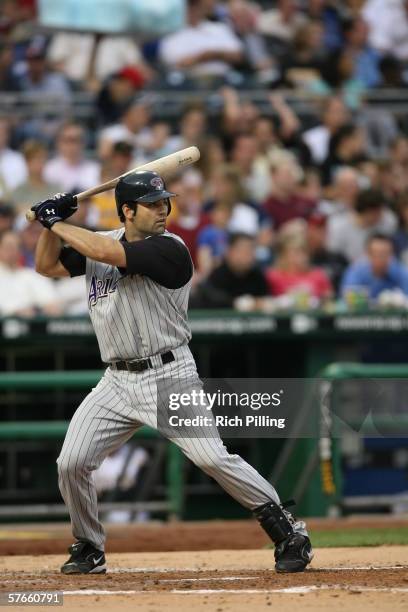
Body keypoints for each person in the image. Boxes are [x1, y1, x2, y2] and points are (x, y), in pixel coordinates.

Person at [31, 170, 313, 575]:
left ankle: (289, 531)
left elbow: (110, 255)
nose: (163, 209)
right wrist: (50, 226)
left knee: (212, 458)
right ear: (127, 211)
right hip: (116, 380)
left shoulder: (171, 249)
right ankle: (89, 546)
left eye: (165, 202)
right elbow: (46, 266)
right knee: (71, 462)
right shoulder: (100, 241)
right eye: (152, 204)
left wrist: (55, 220)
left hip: (169, 374)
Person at [192, 232, 269, 308]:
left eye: (251, 250)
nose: (248, 255)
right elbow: (211, 300)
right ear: (229, 251)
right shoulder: (217, 276)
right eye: (243, 250)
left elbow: (265, 299)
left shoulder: (257, 277)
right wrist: (236, 303)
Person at [0, 229, 61, 317]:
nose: (13, 251)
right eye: (9, 246)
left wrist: (48, 307)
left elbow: (51, 301)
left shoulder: (32, 275)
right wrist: (15, 312)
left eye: (17, 246)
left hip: (34, 326)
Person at [326, 188, 397, 262]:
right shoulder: (339, 226)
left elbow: (391, 219)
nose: (381, 215)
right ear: (367, 211)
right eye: (377, 212)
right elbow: (333, 254)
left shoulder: (385, 222)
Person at [341, 233, 408, 299]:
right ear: (367, 254)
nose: (381, 258)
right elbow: (347, 297)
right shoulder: (356, 272)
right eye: (376, 254)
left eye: (385, 254)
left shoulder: (401, 272)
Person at [44, 121, 100, 193]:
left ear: (83, 143)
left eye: (75, 140)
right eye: (67, 140)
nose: (71, 145)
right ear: (58, 143)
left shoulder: (95, 170)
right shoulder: (48, 170)